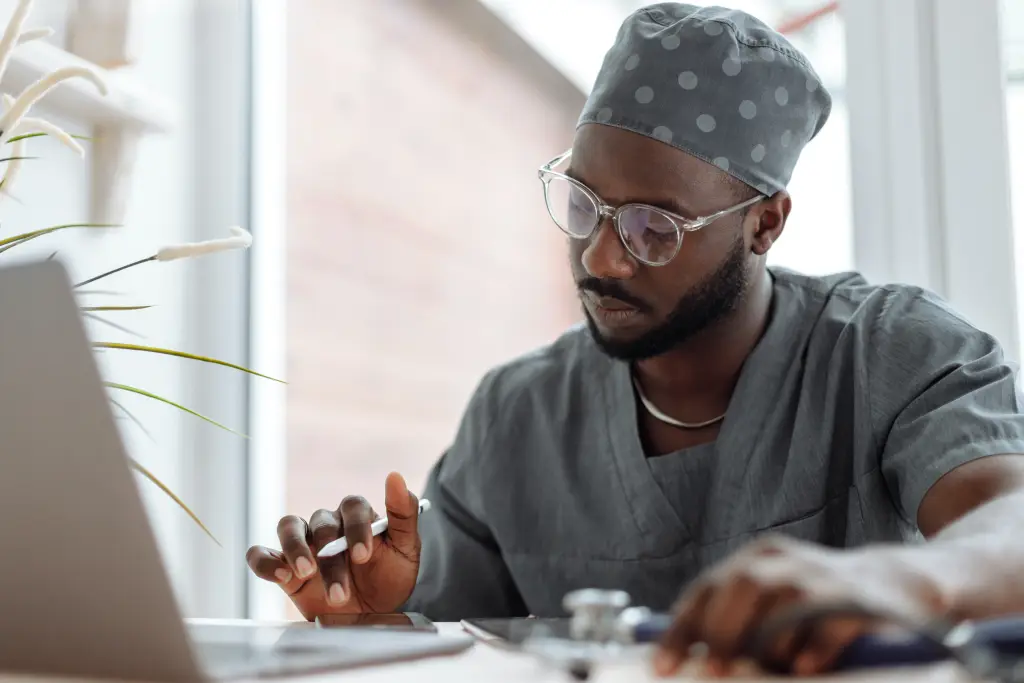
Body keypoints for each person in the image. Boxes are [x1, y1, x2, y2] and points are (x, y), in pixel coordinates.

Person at [247, 2, 1024, 677]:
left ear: (766, 222)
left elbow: (1011, 518)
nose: (601, 257)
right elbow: (456, 636)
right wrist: (382, 609)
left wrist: (907, 583)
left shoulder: (893, 354)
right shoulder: (519, 416)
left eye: (656, 227)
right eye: (583, 204)